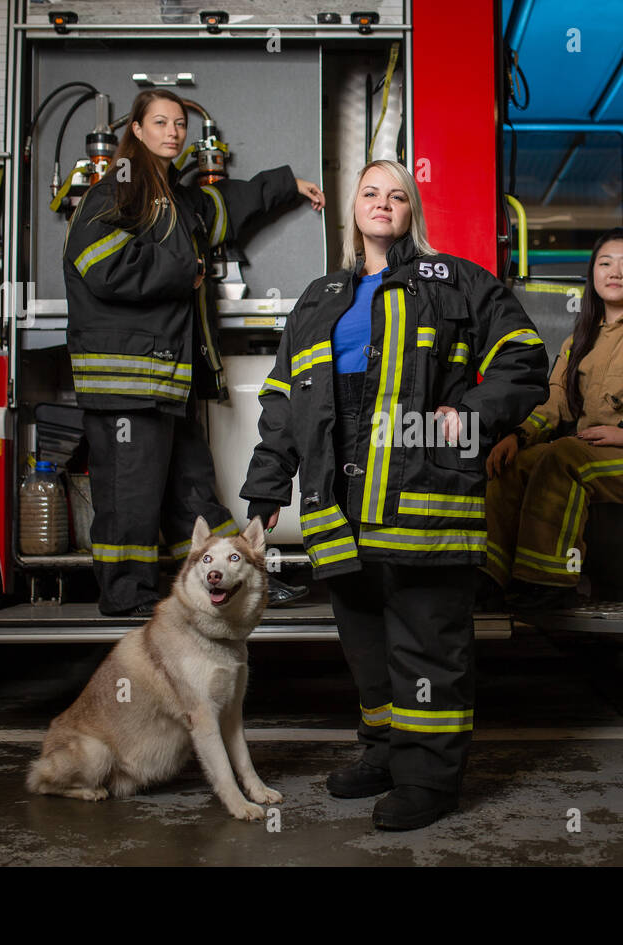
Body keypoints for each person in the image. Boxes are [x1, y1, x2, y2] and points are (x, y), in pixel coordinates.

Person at [241, 160, 549, 829]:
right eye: (371, 192)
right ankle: (382, 752)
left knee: (427, 646)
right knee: (366, 644)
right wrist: (269, 480)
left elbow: (524, 359)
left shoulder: (458, 281)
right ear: (352, 208)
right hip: (340, 502)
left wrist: (467, 412)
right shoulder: (321, 296)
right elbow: (282, 398)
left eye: (398, 194)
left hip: (423, 497)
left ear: (414, 211)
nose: (383, 203)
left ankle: (429, 780)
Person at [63, 89, 324, 616]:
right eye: (159, 122)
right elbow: (94, 258)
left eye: (179, 123)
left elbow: (223, 206)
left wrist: (286, 186)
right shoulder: (121, 184)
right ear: (134, 130)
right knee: (130, 499)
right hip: (128, 384)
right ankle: (126, 597)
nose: (173, 131)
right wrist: (186, 271)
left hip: (164, 380)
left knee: (193, 492)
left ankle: (233, 585)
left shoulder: (174, 196)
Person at [482, 227, 623, 610]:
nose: (615, 272)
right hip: (593, 450)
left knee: (565, 459)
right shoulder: (583, 338)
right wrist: (518, 436)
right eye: (605, 263)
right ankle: (491, 578)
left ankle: (549, 583)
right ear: (593, 273)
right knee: (513, 465)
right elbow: (556, 399)